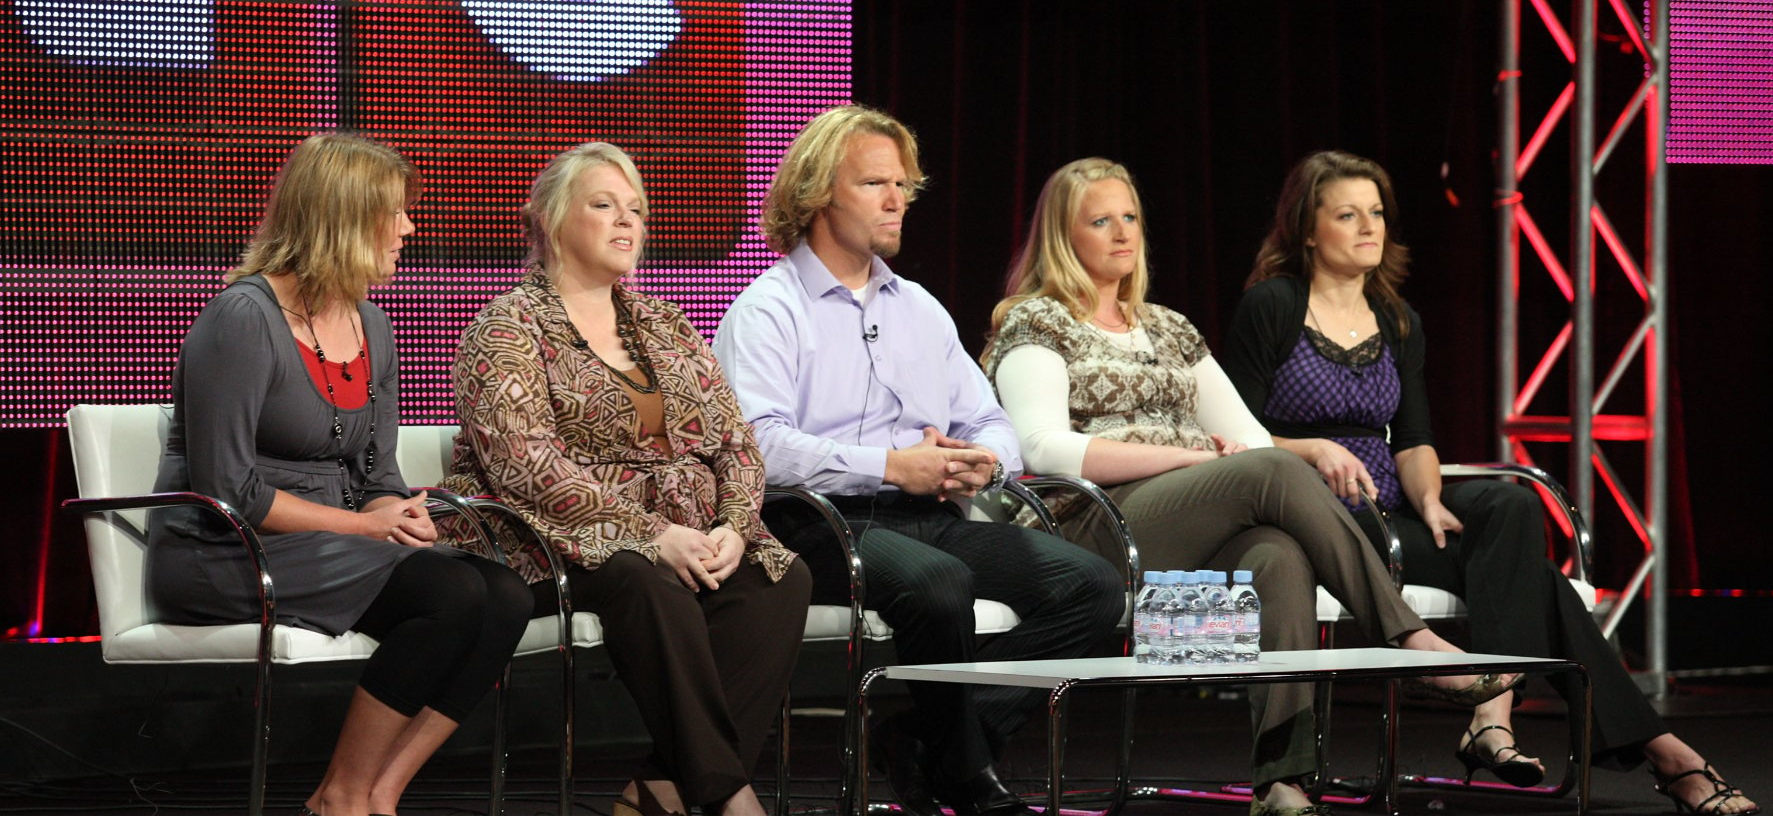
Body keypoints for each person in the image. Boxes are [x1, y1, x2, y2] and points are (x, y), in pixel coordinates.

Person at [1222, 148, 1757, 815]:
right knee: (1543, 584)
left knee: (1506, 502)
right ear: (1307, 229)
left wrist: (1430, 502)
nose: (1370, 227)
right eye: (1347, 214)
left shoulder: (1396, 317)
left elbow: (1414, 439)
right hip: (1315, 516)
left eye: (1378, 213)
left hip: (1392, 511)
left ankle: (1493, 710)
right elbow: (1232, 433)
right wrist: (1313, 450)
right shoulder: (1271, 306)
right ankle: (1664, 754)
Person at [983, 157, 1523, 816]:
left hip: (1178, 528)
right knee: (1270, 474)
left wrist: (1222, 459)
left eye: (1130, 218)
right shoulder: (1037, 322)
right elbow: (1043, 449)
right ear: (1064, 238)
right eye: (1101, 221)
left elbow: (1250, 436)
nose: (1122, 234)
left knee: (1277, 555)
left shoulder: (1171, 329)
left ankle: (1281, 781)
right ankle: (1408, 640)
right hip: (1084, 530)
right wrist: (1182, 461)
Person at [713, 106, 1123, 816]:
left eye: (903, 184)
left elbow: (994, 422)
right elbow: (759, 449)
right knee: (940, 584)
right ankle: (967, 778)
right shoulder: (768, 310)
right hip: (816, 524)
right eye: (875, 183)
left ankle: (929, 740)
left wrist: (983, 461)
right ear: (817, 195)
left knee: (1090, 585)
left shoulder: (920, 309)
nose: (898, 200)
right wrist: (889, 465)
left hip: (928, 511)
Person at [150, 133, 532, 816]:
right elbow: (226, 490)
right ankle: (343, 796)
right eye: (395, 213)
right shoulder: (242, 319)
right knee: (451, 596)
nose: (409, 229)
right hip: (226, 549)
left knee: (503, 593)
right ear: (343, 218)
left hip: (333, 543)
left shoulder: (373, 326)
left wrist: (401, 510)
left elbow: (379, 471)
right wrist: (364, 524)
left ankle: (379, 793)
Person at [440, 142, 811, 816]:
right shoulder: (506, 328)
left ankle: (661, 786)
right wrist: (649, 532)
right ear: (551, 221)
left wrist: (733, 525)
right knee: (647, 579)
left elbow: (735, 442)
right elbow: (527, 466)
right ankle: (729, 797)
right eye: (604, 205)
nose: (627, 223)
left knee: (779, 578)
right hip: (554, 536)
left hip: (686, 533)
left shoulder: (664, 324)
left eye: (636, 210)